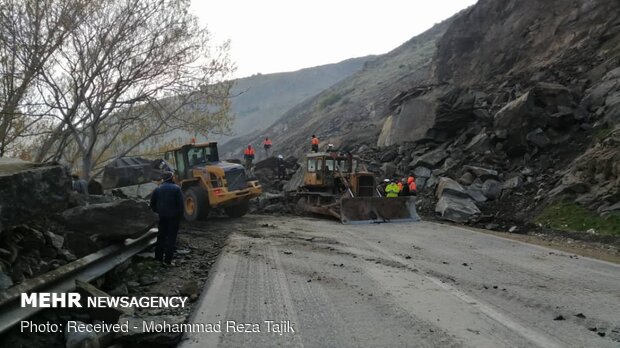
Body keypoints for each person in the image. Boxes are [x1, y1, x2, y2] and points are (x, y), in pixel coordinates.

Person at [150, 172, 184, 265]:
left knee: (161, 237)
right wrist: (180, 217)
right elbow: (181, 206)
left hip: (162, 218)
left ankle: (158, 258)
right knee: (171, 238)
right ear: (172, 178)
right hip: (174, 218)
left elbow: (152, 204)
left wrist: (158, 212)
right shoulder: (177, 189)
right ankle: (168, 260)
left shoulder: (157, 189)